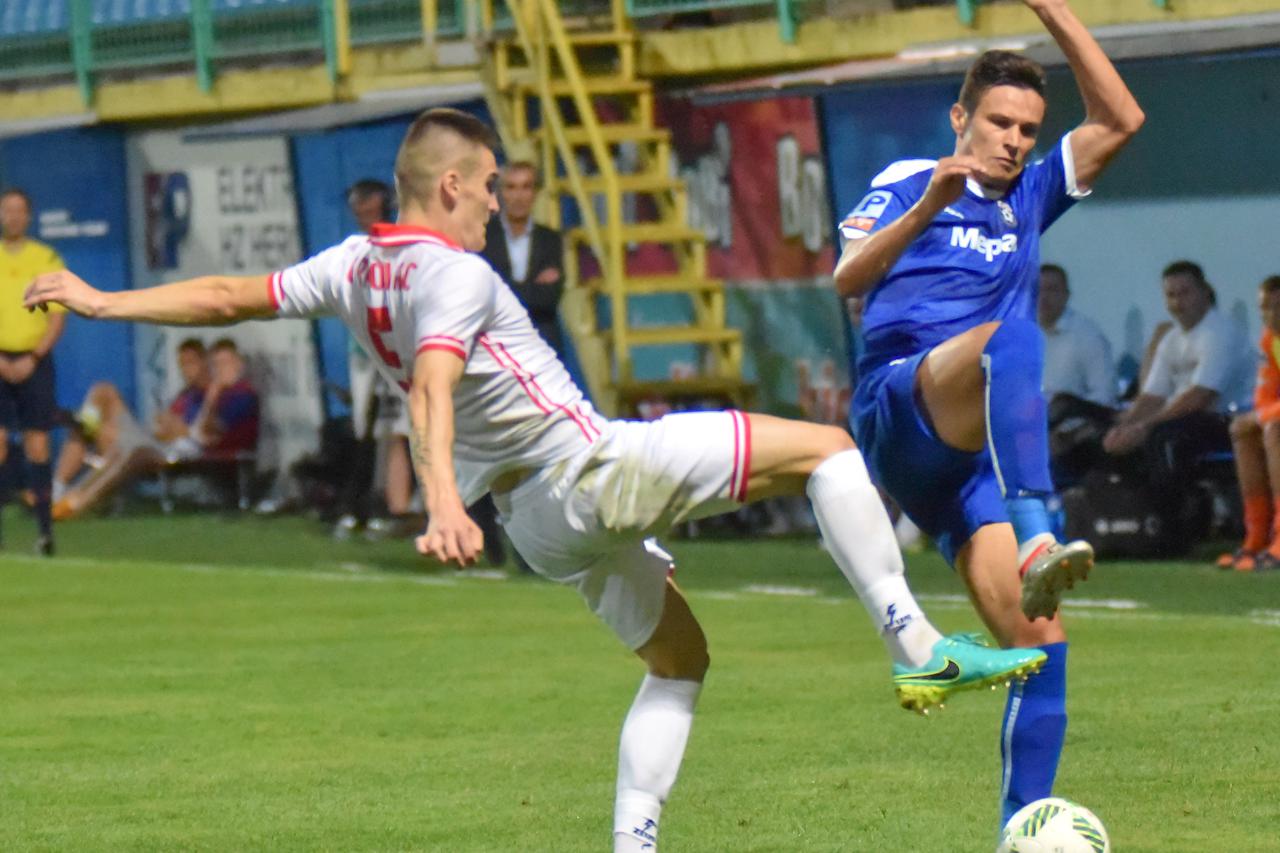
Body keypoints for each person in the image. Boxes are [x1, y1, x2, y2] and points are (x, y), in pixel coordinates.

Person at [27, 107, 1046, 853]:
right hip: (585, 468)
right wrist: (437, 501)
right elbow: (432, 384)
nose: (493, 204)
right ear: (452, 187)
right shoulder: (457, 273)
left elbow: (226, 295)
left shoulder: (353, 264)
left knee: (678, 661)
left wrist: (103, 299)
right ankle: (915, 646)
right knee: (825, 449)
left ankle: (633, 844)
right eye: (486, 187)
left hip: (536, 522)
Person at [832, 0, 1144, 826]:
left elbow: (1122, 119)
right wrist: (927, 206)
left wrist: (1054, 10)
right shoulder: (910, 177)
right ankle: (1040, 528)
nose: (1014, 141)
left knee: (1042, 647)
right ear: (960, 117)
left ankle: (1022, 825)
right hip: (901, 402)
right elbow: (847, 277)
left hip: (967, 468)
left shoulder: (1030, 195)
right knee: (1011, 335)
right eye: (999, 122)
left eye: (1028, 130)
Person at [1102, 262, 1254, 511]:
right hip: (1187, 419)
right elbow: (1152, 396)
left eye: (1185, 293)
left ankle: (1174, 516)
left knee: (1163, 437)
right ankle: (1129, 516)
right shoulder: (1172, 339)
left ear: (1205, 292)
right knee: (1107, 436)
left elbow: (1200, 397)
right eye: (1171, 295)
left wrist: (1144, 426)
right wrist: (1124, 427)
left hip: (1227, 421)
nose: (1177, 302)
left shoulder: (1220, 333)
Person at [334, 179, 418, 540]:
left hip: (398, 351)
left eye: (367, 201)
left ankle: (398, 506)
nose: (361, 209)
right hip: (365, 352)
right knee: (367, 429)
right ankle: (373, 504)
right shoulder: (355, 249)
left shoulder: (400, 247)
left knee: (400, 429)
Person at [51, 337, 208, 517]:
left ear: (204, 363)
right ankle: (57, 488)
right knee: (104, 390)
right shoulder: (184, 395)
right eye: (182, 364)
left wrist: (176, 428)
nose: (185, 370)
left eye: (190, 363)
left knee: (125, 446)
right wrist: (162, 424)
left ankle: (72, 501)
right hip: (149, 438)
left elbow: (203, 434)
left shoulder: (212, 396)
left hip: (167, 450)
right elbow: (161, 428)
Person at [0, 187, 66, 555]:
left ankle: (44, 532)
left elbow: (57, 316)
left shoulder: (45, 258)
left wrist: (34, 357)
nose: (12, 216)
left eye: (18, 210)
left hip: (34, 361)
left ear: (28, 216)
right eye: (6, 210)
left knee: (37, 445)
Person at [1216, 275, 1280, 571]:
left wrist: (1266, 416)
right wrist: (1263, 415)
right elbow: (1264, 394)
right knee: (1241, 428)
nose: (1271, 315)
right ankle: (1256, 537)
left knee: (1274, 430)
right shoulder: (1270, 340)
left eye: (1277, 307)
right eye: (1265, 308)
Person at [1038, 263, 1117, 486]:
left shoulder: (1087, 336)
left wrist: (1068, 432)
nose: (1044, 297)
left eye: (1052, 290)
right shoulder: (1021, 335)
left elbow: (1104, 397)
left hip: (1072, 430)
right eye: (1038, 290)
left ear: (1066, 295)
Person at [481, 159, 565, 355]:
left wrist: (504, 287)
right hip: (495, 346)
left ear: (536, 192)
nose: (518, 196)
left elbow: (549, 298)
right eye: (511, 187)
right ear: (500, 192)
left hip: (543, 346)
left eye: (526, 187)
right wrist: (532, 288)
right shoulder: (483, 237)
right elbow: (484, 297)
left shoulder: (551, 240)